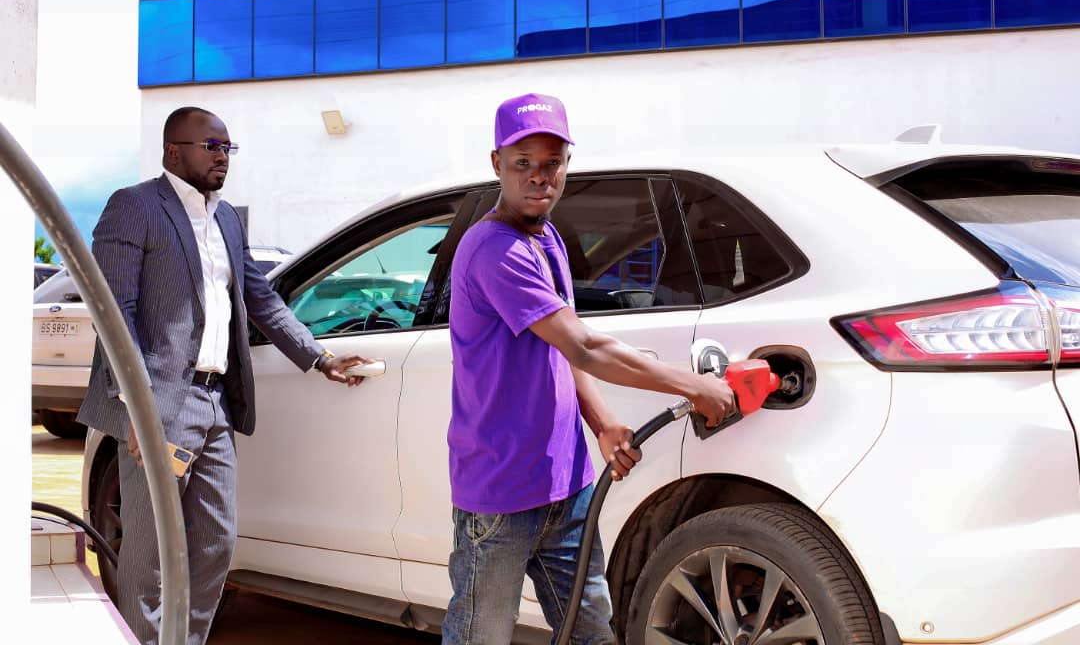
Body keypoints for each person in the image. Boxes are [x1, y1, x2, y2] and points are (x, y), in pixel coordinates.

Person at [443, 93, 737, 644]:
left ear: (567, 164)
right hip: (502, 494)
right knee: (481, 636)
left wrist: (601, 424)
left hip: (567, 486)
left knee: (591, 633)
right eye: (522, 163)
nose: (538, 176)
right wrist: (694, 385)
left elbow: (560, 345)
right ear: (497, 164)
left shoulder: (546, 236)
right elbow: (585, 347)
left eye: (551, 162)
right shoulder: (494, 251)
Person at [77, 106, 372, 645]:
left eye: (227, 147)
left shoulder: (228, 218)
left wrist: (319, 357)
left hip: (216, 404)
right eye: (211, 146)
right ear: (173, 152)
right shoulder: (134, 206)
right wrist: (136, 408)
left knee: (216, 543)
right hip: (159, 404)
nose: (223, 157)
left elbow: (260, 297)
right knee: (150, 554)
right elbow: (113, 313)